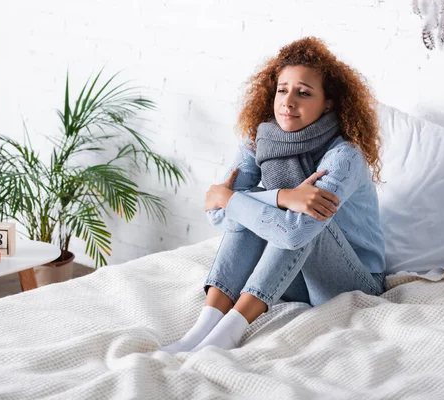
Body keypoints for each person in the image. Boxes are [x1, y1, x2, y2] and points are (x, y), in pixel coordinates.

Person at [161, 36, 386, 354]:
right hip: (294, 280)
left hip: (353, 283)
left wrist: (231, 198)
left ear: (328, 103)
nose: (288, 101)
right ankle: (201, 330)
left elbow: (295, 234)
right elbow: (219, 214)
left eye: (304, 93)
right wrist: (282, 197)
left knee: (301, 221)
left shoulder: (344, 155)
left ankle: (227, 334)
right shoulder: (260, 140)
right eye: (283, 90)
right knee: (251, 214)